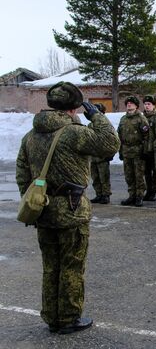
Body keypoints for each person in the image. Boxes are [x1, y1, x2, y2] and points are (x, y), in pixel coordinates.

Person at [15, 81, 119, 334]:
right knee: (72, 266)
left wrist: (35, 202)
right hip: (72, 210)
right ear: (74, 108)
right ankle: (69, 318)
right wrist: (96, 115)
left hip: (43, 209)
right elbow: (110, 143)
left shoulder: (31, 136)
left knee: (51, 266)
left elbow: (22, 173)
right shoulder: (75, 133)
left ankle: (51, 316)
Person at [118, 96, 150, 207]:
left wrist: (145, 151)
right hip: (127, 150)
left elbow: (147, 136)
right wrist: (120, 151)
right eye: (128, 103)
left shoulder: (141, 119)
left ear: (136, 106)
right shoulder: (123, 119)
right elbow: (119, 136)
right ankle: (132, 195)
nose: (129, 105)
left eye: (131, 103)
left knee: (139, 175)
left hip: (138, 150)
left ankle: (139, 196)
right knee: (129, 175)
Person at [89, 103, 112, 204]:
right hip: (93, 156)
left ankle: (106, 195)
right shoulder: (90, 125)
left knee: (104, 177)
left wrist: (110, 154)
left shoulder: (105, 125)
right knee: (95, 177)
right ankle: (98, 194)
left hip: (103, 156)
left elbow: (111, 140)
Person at [142, 95, 156, 201]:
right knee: (146, 171)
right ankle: (149, 190)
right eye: (145, 104)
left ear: (153, 105)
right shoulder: (142, 117)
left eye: (149, 104)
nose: (147, 106)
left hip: (154, 148)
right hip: (144, 149)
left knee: (155, 172)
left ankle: (154, 191)